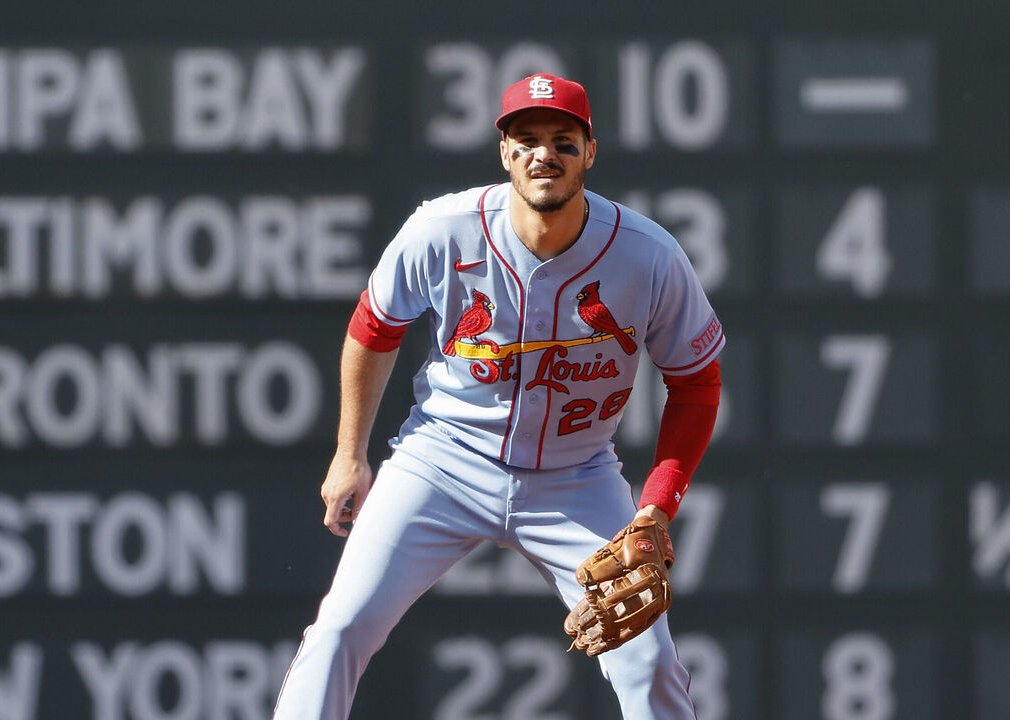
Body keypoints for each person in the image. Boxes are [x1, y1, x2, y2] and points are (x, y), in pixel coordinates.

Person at [272, 73, 724, 720]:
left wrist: (656, 506)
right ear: (505, 152)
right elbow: (373, 328)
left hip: (577, 477)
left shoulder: (648, 256)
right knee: (341, 627)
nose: (545, 154)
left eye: (563, 141)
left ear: (590, 153)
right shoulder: (442, 230)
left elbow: (696, 382)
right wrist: (350, 453)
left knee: (648, 662)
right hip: (442, 462)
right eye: (527, 139)